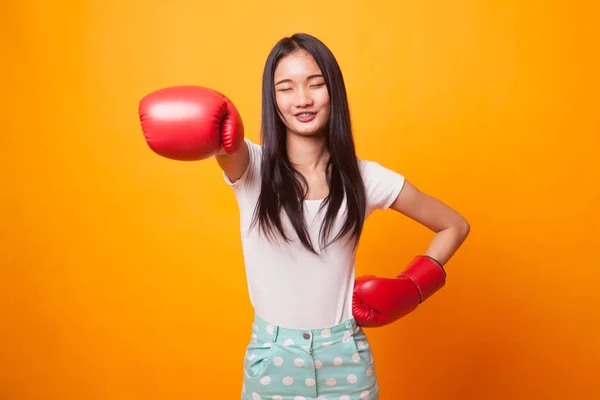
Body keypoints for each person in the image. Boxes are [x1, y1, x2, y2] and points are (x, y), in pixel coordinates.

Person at [138, 33, 470, 400]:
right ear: (273, 99)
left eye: (316, 84)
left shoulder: (365, 177)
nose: (303, 99)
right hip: (272, 358)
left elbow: (454, 225)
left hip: (347, 359)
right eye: (286, 88)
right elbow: (222, 145)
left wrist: (413, 286)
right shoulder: (252, 166)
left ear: (334, 92)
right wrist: (214, 127)